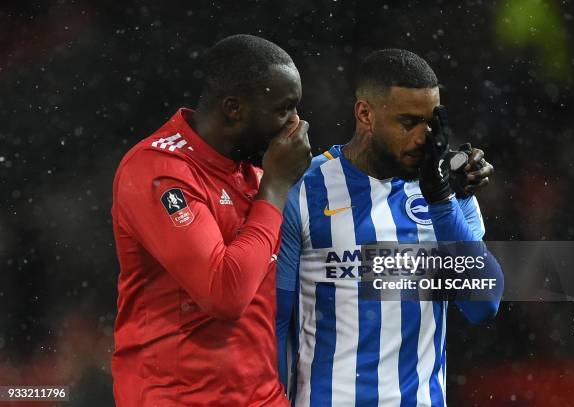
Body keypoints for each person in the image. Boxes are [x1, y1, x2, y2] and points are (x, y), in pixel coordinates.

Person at [276, 49, 504, 406]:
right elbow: (275, 322)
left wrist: (443, 200)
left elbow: (483, 305)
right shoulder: (303, 188)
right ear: (365, 113)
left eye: (430, 123)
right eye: (408, 122)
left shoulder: (447, 190)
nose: (422, 138)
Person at [111, 34, 311, 406]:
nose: (295, 124)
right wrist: (276, 188)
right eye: (284, 109)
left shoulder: (252, 171)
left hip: (262, 398)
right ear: (234, 108)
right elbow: (225, 294)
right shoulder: (158, 171)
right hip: (176, 398)